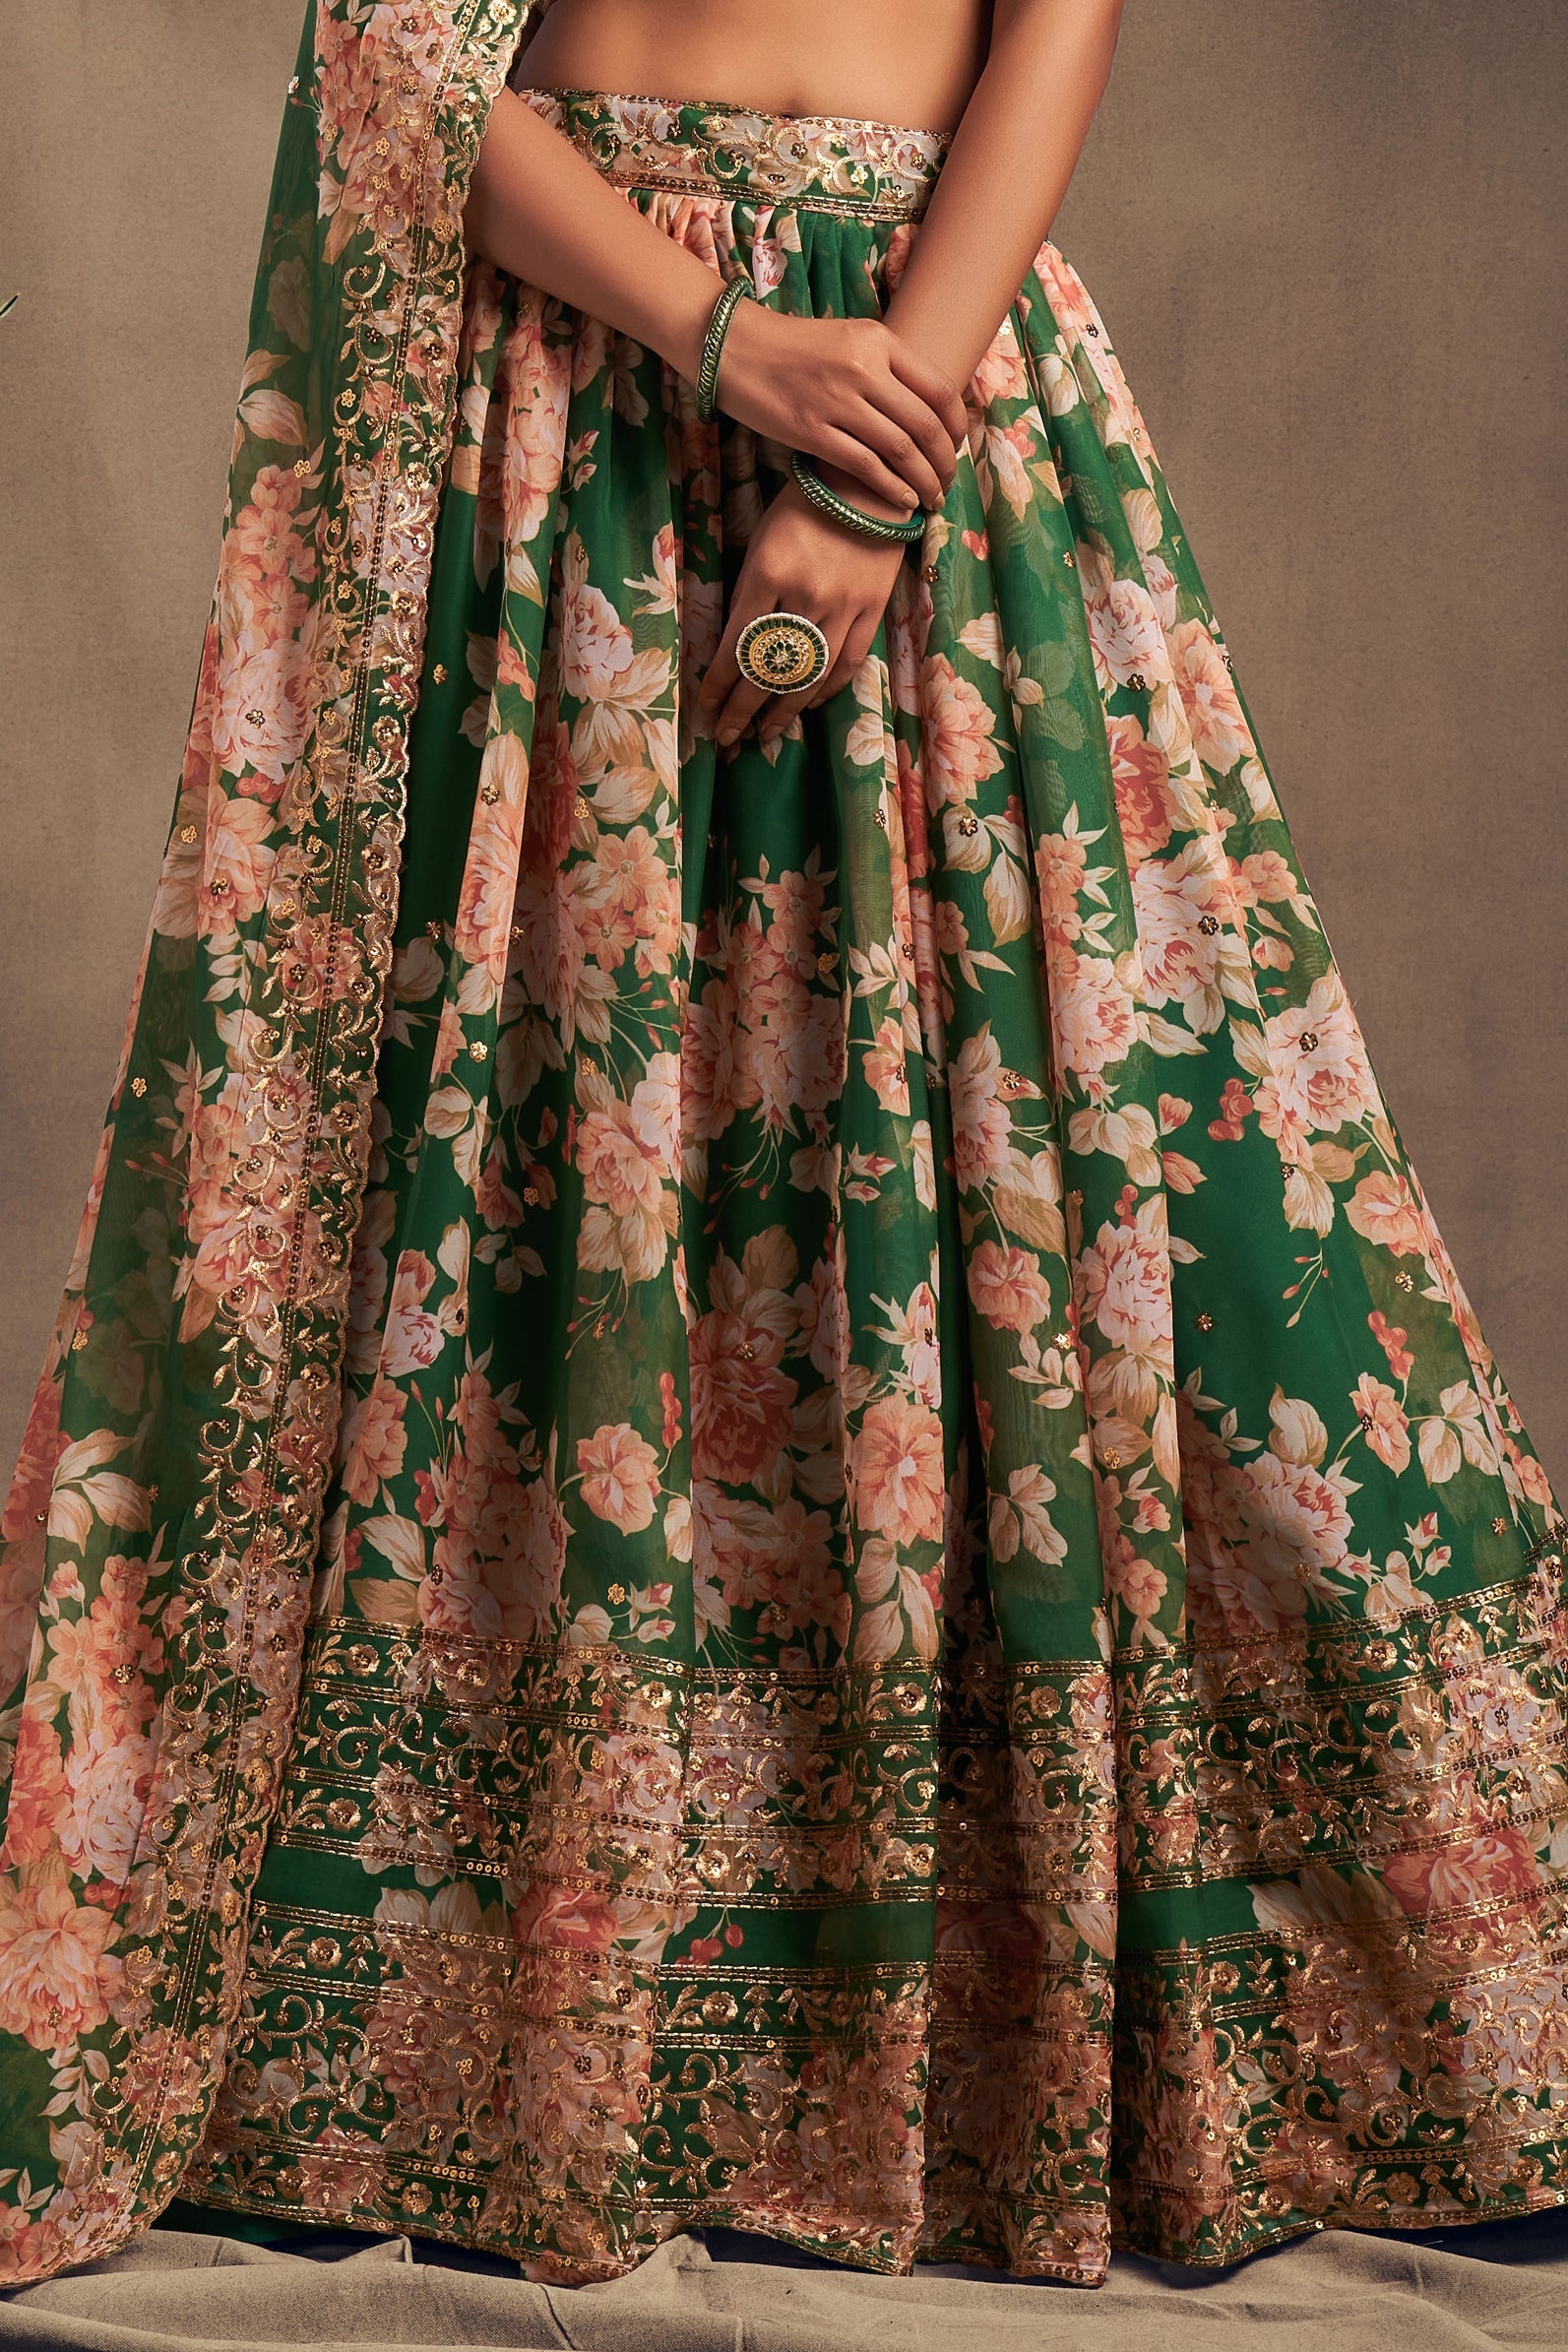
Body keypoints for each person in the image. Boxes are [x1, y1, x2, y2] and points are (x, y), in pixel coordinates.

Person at [0, 0, 1563, 2297]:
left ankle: (1362, 2001)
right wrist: (718, 338)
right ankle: (506, 2019)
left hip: (922, 394)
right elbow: (390, 57)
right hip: (571, 404)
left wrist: (865, 463)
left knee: (1135, 1209)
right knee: (550, 1197)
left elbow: (1055, 19)